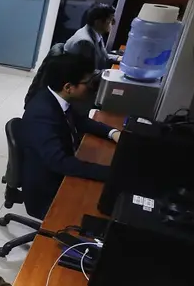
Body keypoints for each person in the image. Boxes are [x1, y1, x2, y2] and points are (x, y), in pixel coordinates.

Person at [20, 54, 121, 219]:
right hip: (47, 189)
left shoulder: (55, 97)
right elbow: (60, 163)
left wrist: (112, 132)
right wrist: (111, 173)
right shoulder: (43, 114)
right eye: (87, 83)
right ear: (68, 87)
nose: (91, 87)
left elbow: (81, 121)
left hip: (58, 170)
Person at [64, 3, 122, 71]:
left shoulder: (95, 33)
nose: (113, 23)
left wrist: (117, 58)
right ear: (98, 22)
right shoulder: (86, 42)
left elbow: (98, 56)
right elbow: (89, 72)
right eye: (110, 20)